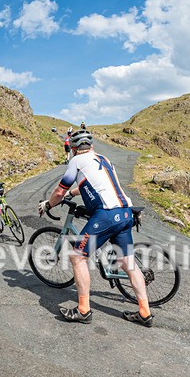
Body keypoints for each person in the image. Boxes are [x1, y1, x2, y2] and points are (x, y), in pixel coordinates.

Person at [38, 129, 153, 327]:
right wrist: (73, 194)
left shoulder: (75, 161)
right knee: (128, 263)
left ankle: (83, 310)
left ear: (73, 149)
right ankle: (144, 312)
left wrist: (48, 204)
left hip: (106, 214)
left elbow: (59, 191)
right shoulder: (103, 158)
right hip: (125, 212)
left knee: (77, 256)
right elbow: (94, 183)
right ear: (91, 146)